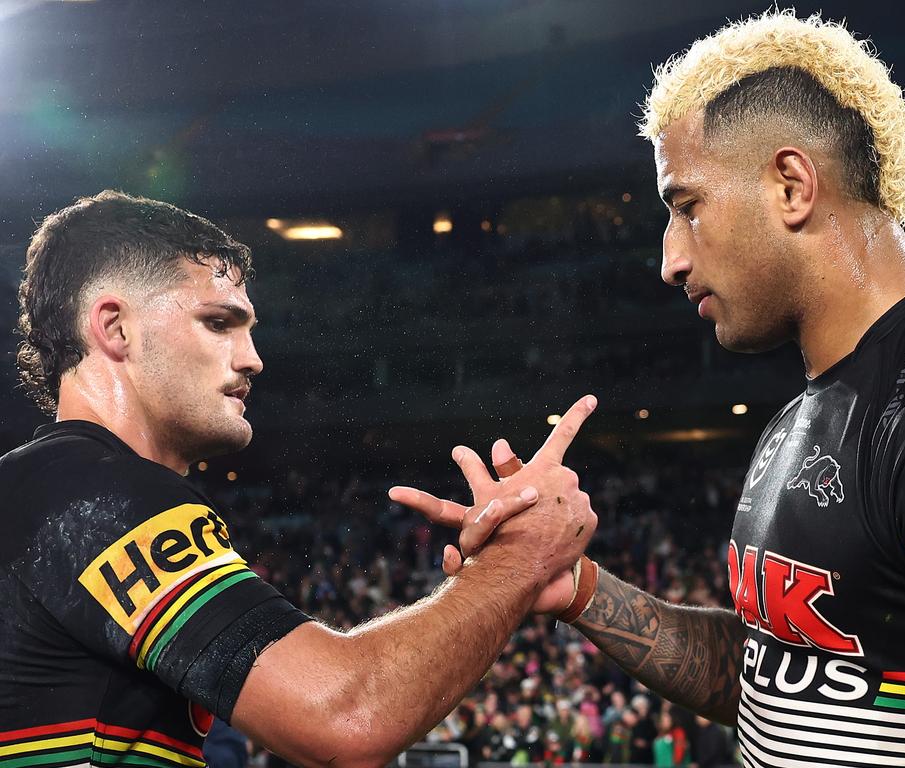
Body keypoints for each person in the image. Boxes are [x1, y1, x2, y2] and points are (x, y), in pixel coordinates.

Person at [396, 10, 905, 766]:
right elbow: (773, 677)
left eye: (687, 207)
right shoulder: (803, 416)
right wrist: (577, 586)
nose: (670, 260)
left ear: (791, 186)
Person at [0, 189, 599, 767]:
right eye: (218, 322)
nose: (251, 357)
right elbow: (346, 716)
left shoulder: (43, 492)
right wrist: (518, 560)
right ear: (115, 327)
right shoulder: (95, 494)